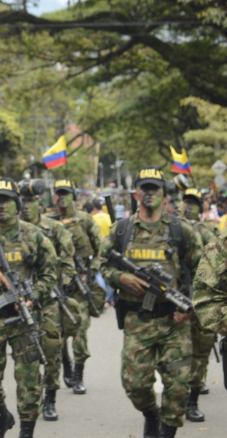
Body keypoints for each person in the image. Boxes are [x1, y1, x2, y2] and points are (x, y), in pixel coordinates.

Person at [99, 167, 202, 438]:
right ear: (136, 193)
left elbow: (206, 274)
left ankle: (165, 432)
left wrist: (190, 308)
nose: (149, 193)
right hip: (138, 321)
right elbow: (102, 265)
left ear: (164, 194)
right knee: (134, 385)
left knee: (179, 388)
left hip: (174, 323)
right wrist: (121, 277)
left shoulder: (183, 232)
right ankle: (150, 414)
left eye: (155, 188)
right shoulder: (121, 230)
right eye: (144, 188)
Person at [0, 177, 58, 438]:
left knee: (29, 382)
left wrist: (33, 296)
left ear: (18, 203)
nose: (1, 205)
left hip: (23, 319)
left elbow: (51, 275)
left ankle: (27, 431)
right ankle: (1, 415)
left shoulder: (33, 235)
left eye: (7, 200)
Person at [17, 179, 76, 422]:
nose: (26, 205)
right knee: (25, 354)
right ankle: (30, 399)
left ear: (39, 202)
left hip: (48, 300)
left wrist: (56, 285)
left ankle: (49, 399)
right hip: (19, 302)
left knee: (52, 350)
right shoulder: (10, 230)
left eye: (31, 201)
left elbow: (68, 264)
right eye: (23, 201)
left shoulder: (54, 229)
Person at [52, 178, 102, 395]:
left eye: (66, 193)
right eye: (59, 193)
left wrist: (89, 272)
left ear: (74, 196)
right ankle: (67, 367)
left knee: (80, 331)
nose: (62, 198)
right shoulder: (48, 222)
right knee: (59, 334)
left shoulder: (84, 219)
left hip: (80, 286)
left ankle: (78, 375)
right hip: (56, 287)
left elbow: (101, 249)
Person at [178, 188, 217, 420]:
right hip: (177, 297)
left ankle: (192, 401)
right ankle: (175, 396)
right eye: (186, 202)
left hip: (202, 297)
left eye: (194, 202)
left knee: (200, 352)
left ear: (201, 206)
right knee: (174, 351)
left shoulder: (208, 232)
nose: (189, 206)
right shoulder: (174, 230)